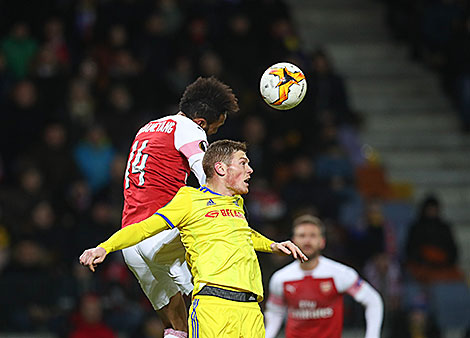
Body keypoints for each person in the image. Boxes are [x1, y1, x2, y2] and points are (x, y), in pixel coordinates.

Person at [80, 139, 308, 338]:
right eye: (243, 163)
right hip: (213, 306)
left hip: (251, 309)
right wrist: (105, 247)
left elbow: (243, 233)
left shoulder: (236, 203)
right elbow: (144, 229)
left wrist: (272, 245)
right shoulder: (189, 199)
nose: (250, 170)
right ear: (220, 168)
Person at [119, 77, 239, 338]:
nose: (210, 136)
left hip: (131, 239)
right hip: (162, 233)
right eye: (212, 130)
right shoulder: (190, 130)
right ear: (202, 122)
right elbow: (209, 177)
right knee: (215, 299)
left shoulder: (147, 127)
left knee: (176, 328)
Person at [265, 214, 383, 338]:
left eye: (313, 235)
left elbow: (373, 300)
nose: (307, 241)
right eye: (302, 236)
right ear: (293, 242)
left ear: (322, 242)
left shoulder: (339, 274)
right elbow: (275, 313)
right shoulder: (281, 278)